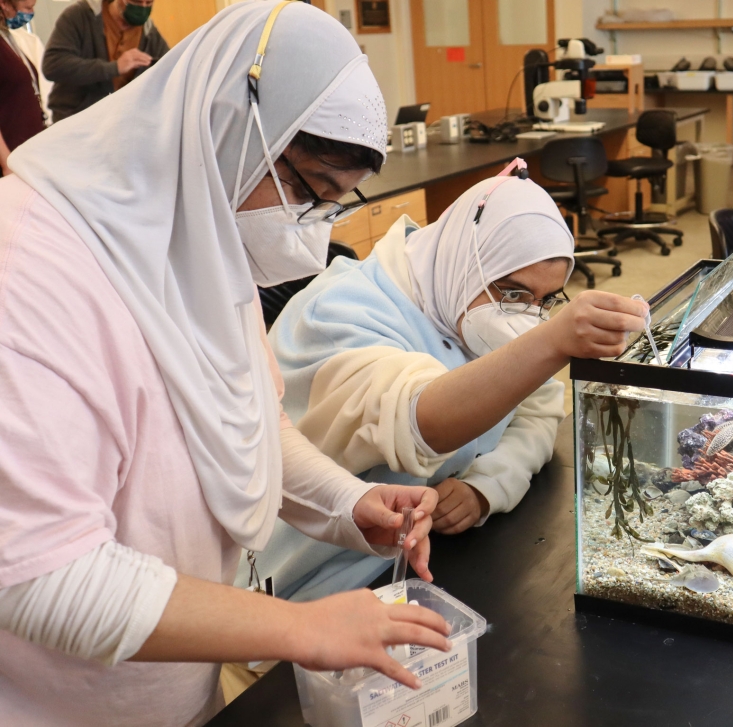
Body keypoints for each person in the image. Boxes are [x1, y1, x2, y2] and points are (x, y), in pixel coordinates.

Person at [0, 4, 451, 725]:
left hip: (178, 695)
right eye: (308, 191)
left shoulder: (202, 231)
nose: (312, 241)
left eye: (336, 204)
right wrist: (302, 627)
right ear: (227, 127)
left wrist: (344, 502)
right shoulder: (29, 272)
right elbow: (38, 574)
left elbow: (247, 420)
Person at [253, 164, 649, 602]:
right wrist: (552, 341)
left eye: (546, 301)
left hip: (421, 559)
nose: (524, 316)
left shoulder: (465, 299)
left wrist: (487, 485)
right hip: (314, 583)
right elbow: (417, 421)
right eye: (512, 293)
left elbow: (538, 410)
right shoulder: (338, 313)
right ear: (467, 262)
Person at [42, 0, 168, 122]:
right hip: (76, 122)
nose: (142, 7)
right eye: (136, 2)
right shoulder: (80, 16)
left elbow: (170, 67)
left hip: (120, 125)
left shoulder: (148, 31)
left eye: (149, 3)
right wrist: (114, 68)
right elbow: (53, 65)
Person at [0, 0, 49, 174]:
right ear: (4, 4)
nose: (31, 13)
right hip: (12, 159)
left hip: (27, 151)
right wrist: (5, 161)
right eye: (27, 8)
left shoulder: (9, 37)